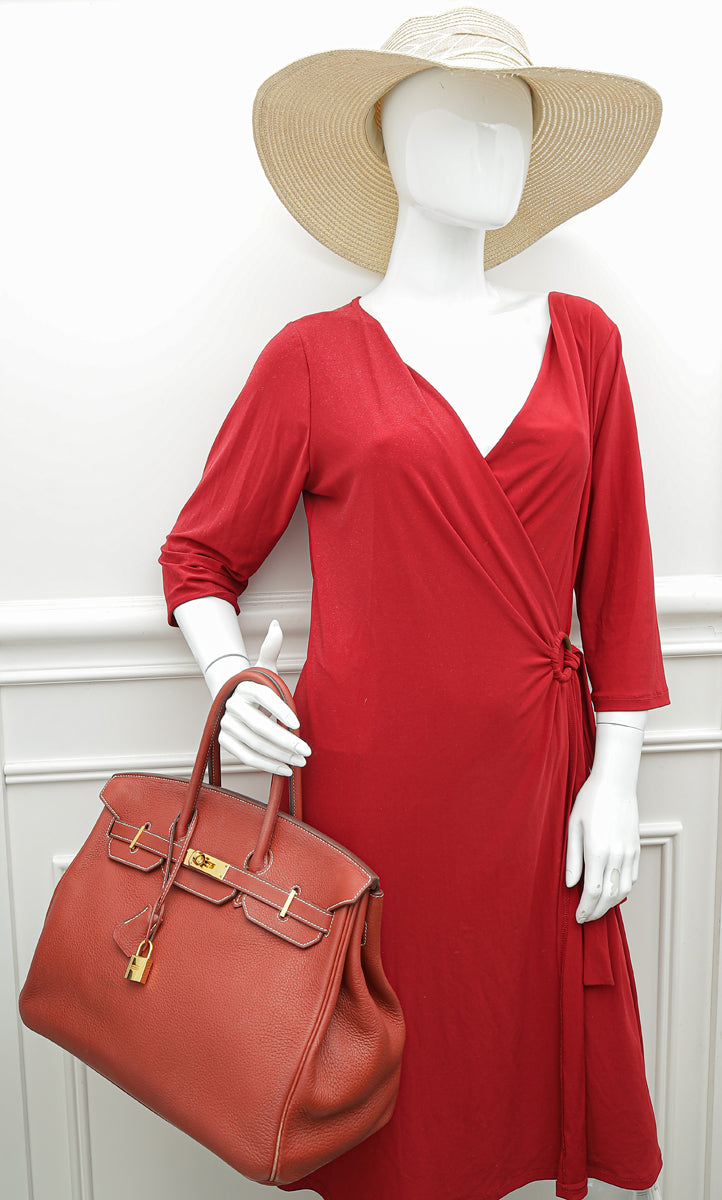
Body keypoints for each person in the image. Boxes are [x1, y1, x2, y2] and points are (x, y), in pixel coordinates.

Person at [159, 9, 669, 1199]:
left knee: (511, 1068)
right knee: (386, 1088)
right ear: (386, 145)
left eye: (514, 124)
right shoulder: (311, 359)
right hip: (370, 789)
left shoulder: (581, 342)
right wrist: (229, 676)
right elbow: (197, 559)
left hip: (539, 782)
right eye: (457, 119)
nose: (494, 148)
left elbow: (619, 581)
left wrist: (617, 774)